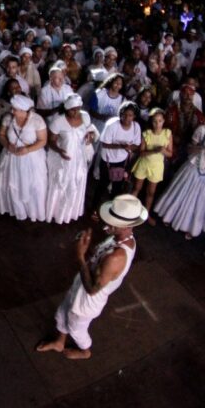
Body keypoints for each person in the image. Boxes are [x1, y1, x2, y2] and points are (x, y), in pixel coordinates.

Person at [36, 194, 146, 360]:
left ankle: (85, 351)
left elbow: (92, 289)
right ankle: (59, 343)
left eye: (112, 222)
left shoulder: (117, 257)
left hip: (88, 300)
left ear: (126, 226)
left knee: (76, 328)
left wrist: (80, 256)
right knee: (62, 312)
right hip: (82, 283)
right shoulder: (121, 237)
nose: (106, 223)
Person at [153, 103, 205, 240]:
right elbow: (189, 148)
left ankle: (192, 228)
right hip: (194, 165)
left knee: (201, 201)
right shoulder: (202, 129)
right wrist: (200, 147)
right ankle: (170, 216)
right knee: (182, 193)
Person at [0, 95, 48, 222]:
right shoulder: (8, 118)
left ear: (24, 110)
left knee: (34, 185)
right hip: (11, 157)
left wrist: (27, 149)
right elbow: (1, 134)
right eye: (12, 109)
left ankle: (32, 211)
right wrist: (7, 145)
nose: (12, 111)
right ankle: (15, 209)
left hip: (31, 158)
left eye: (15, 109)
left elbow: (43, 140)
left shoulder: (37, 120)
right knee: (10, 183)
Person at [45, 95, 98, 224]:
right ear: (66, 109)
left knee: (76, 182)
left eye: (78, 109)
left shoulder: (85, 117)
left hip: (79, 158)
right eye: (72, 110)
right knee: (61, 183)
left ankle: (70, 212)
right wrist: (59, 150)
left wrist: (90, 136)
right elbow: (50, 141)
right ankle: (56, 212)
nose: (76, 112)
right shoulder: (58, 121)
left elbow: (90, 131)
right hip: (64, 157)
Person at [129, 108, 172, 224]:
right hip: (144, 164)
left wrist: (163, 150)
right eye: (154, 121)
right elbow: (141, 153)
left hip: (157, 166)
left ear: (163, 121)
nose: (157, 124)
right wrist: (154, 151)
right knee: (136, 188)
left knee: (151, 192)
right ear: (151, 122)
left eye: (160, 121)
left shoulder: (167, 133)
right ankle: (129, 211)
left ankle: (146, 215)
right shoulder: (146, 134)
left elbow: (170, 153)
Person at [94, 101, 141, 203]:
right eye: (125, 115)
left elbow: (136, 144)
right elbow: (104, 143)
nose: (127, 118)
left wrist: (130, 147)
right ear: (121, 114)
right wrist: (121, 146)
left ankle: (112, 208)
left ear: (134, 116)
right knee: (103, 184)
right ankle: (94, 206)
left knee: (117, 187)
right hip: (108, 159)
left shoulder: (136, 127)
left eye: (130, 115)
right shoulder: (112, 125)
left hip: (122, 160)